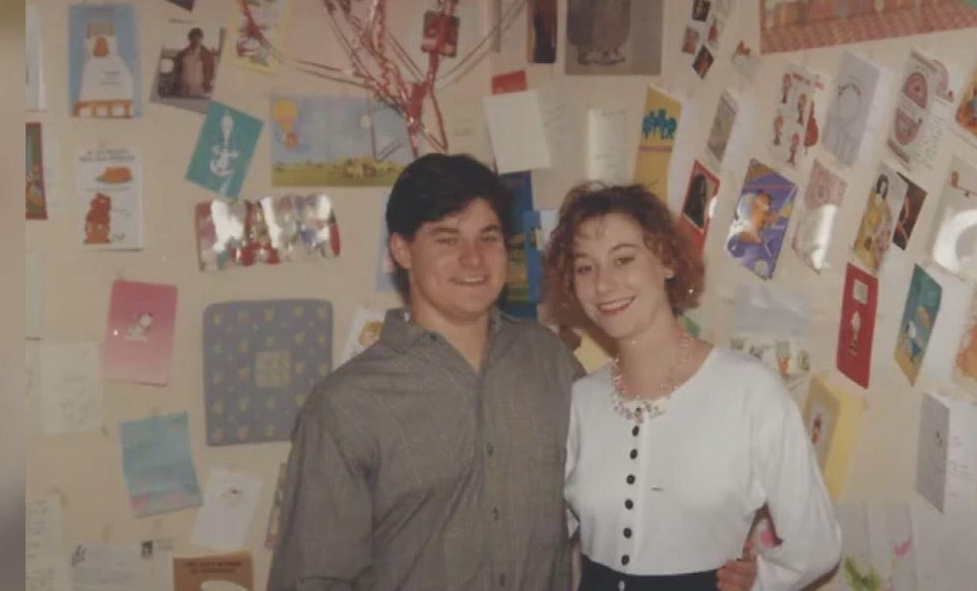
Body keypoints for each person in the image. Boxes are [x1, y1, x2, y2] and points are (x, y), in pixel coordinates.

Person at [268, 155, 758, 591]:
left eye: (488, 237)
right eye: (447, 238)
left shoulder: (552, 364)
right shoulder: (345, 408)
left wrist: (733, 563)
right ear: (402, 250)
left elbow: (635, 483)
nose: (473, 259)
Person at [544, 183, 841, 590]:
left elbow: (816, 547)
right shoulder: (581, 400)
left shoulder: (750, 392)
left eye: (623, 259)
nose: (603, 284)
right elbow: (542, 534)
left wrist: (762, 581)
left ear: (666, 261)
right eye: (584, 267)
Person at [171, 27, 215, 97]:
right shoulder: (182, 54)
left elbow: (212, 73)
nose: (195, 41)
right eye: (193, 38)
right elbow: (176, 72)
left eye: (198, 38)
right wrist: (176, 85)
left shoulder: (208, 55)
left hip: (201, 90)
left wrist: (209, 86)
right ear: (189, 39)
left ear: (201, 39)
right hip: (183, 89)